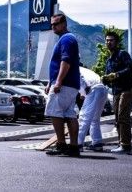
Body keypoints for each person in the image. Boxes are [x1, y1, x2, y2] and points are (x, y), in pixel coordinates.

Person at [44, 13, 81, 157]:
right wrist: (50, 82)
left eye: (56, 23)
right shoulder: (66, 39)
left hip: (64, 84)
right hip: (70, 84)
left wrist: (58, 82)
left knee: (54, 111)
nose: (53, 26)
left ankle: (61, 144)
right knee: (69, 113)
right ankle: (73, 146)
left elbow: (65, 62)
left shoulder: (66, 39)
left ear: (64, 23)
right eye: (52, 24)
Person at [102, 32, 132, 154]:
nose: (108, 42)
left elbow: (130, 69)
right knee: (117, 119)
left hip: (127, 90)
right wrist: (104, 79)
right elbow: (107, 78)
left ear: (116, 42)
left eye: (111, 40)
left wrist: (116, 74)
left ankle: (126, 145)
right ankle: (121, 143)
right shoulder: (108, 61)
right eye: (107, 40)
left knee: (123, 117)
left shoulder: (122, 54)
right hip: (116, 91)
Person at [77, 66, 107, 152]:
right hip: (102, 89)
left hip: (93, 89)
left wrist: (84, 92)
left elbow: (81, 80)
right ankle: (97, 143)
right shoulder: (86, 70)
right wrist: (83, 93)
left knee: (84, 117)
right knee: (95, 119)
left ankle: (78, 144)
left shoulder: (74, 68)